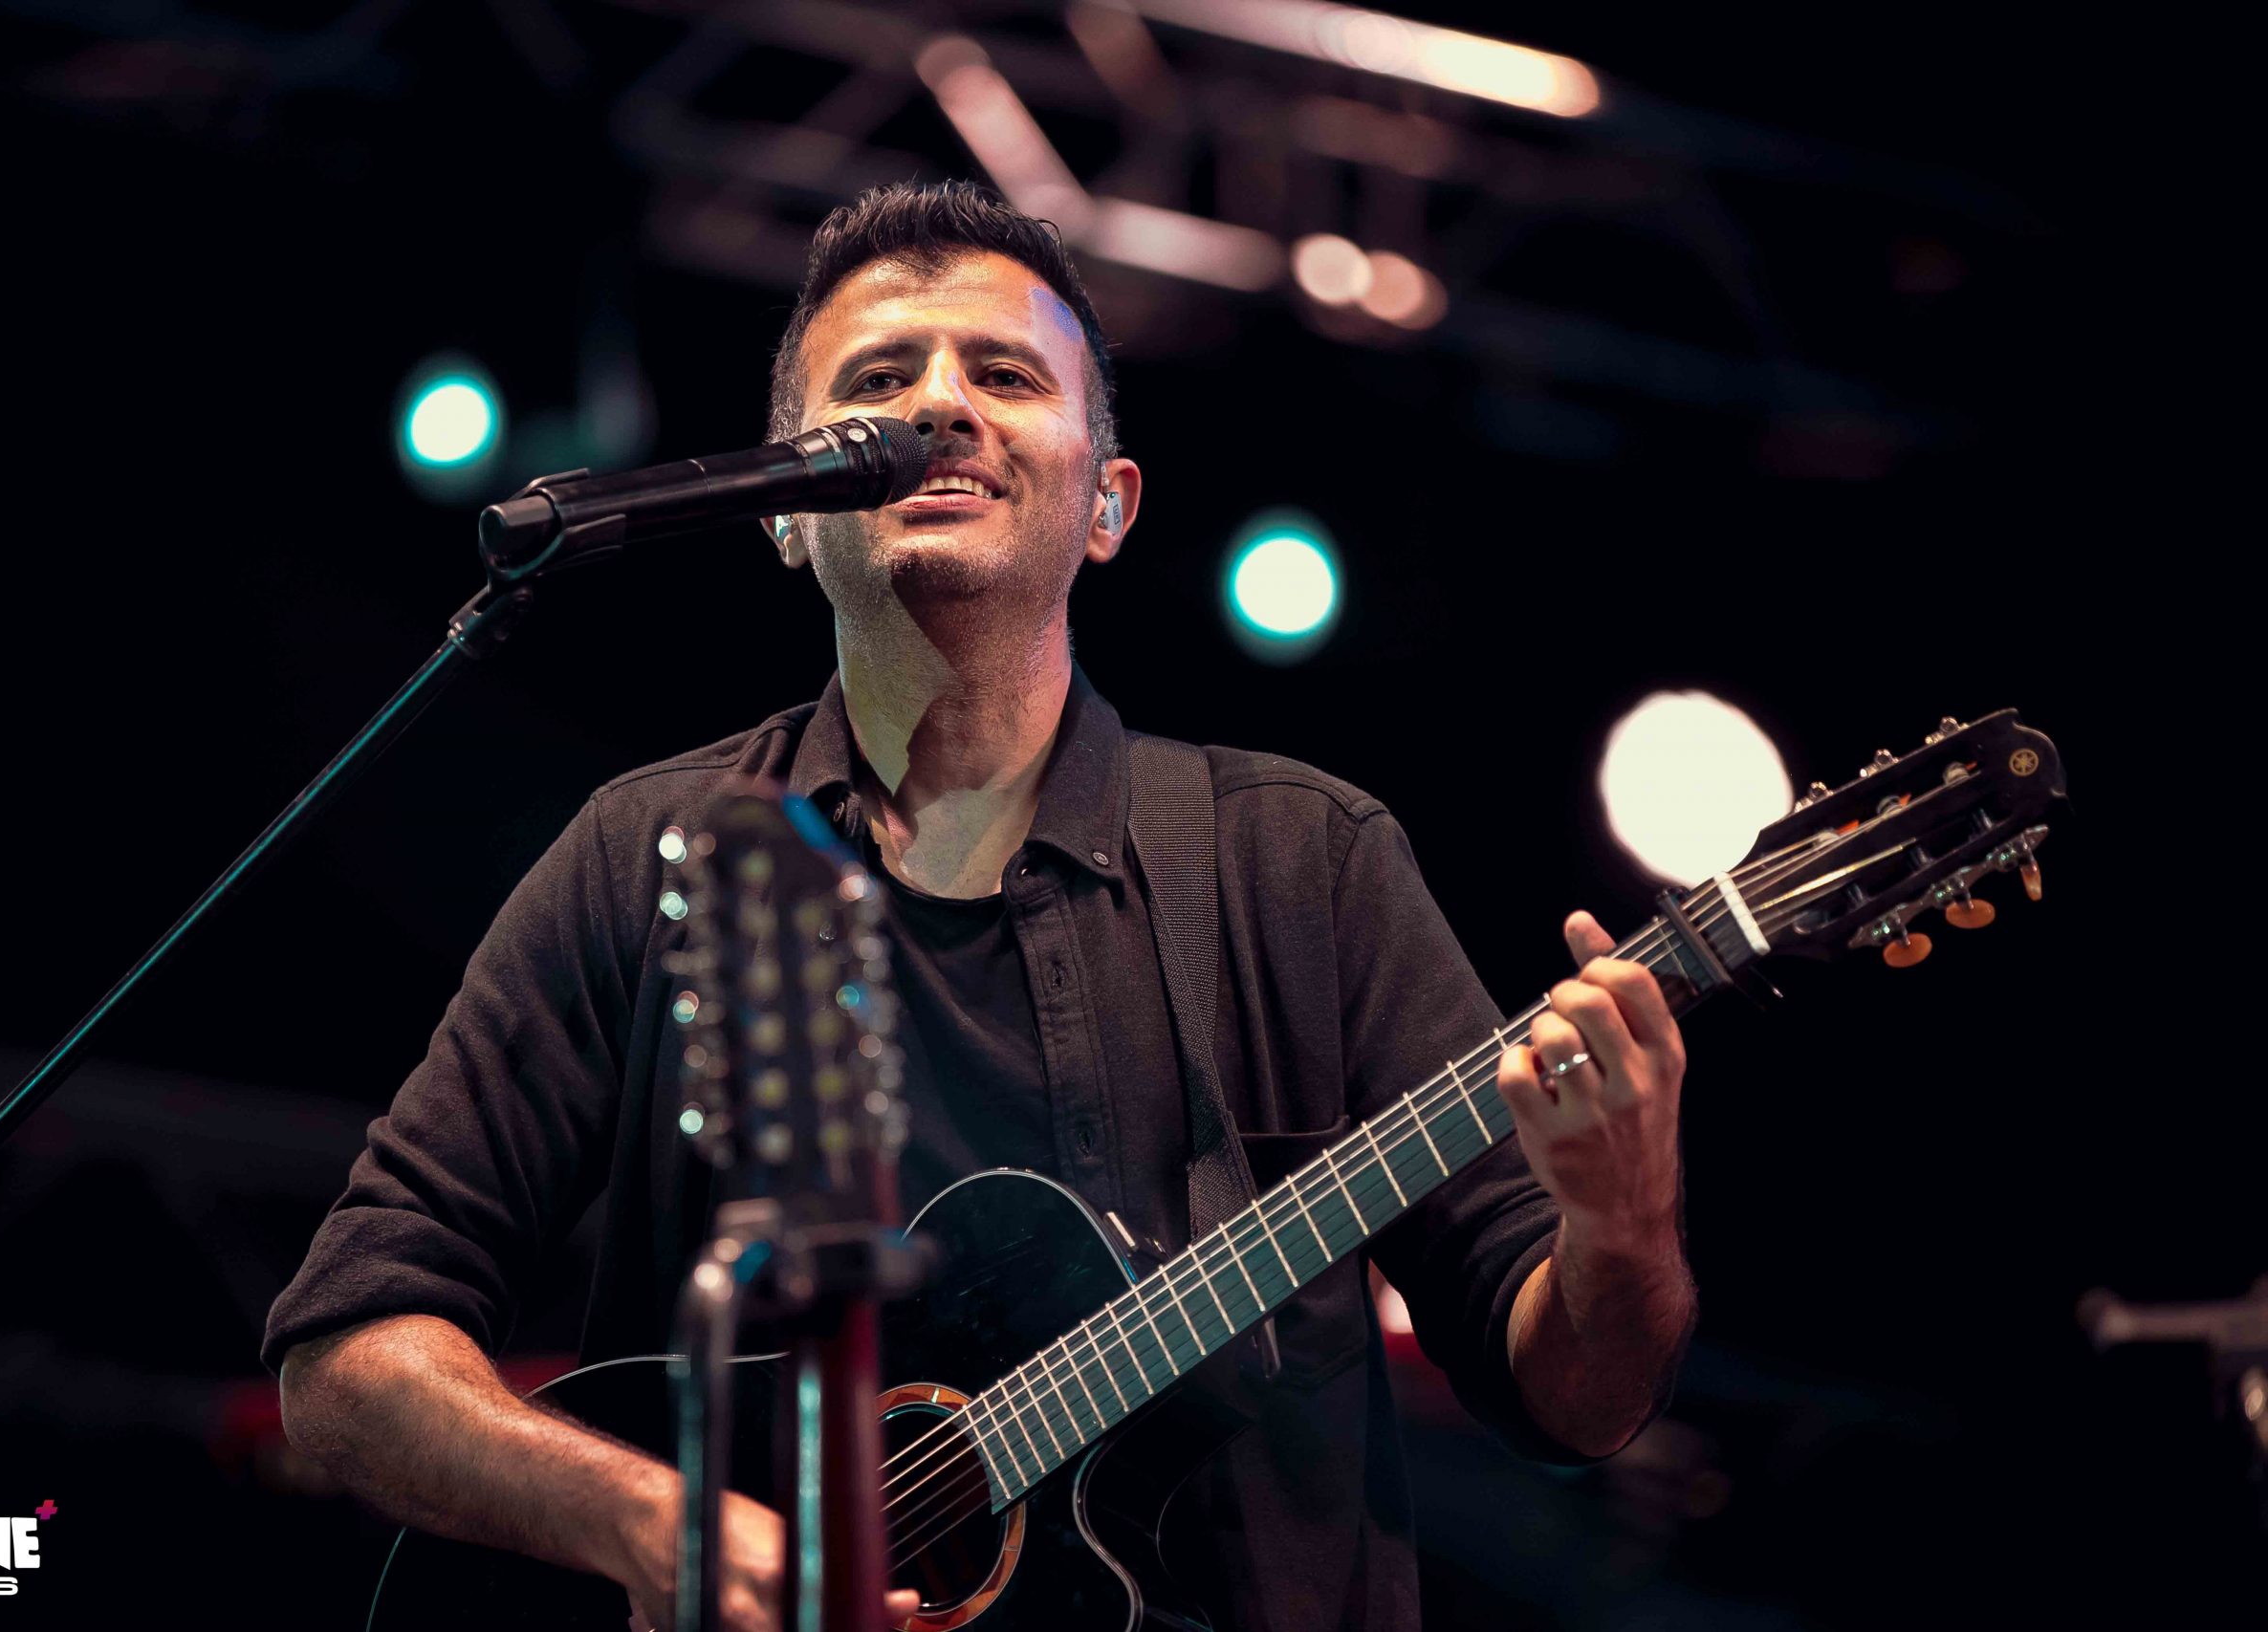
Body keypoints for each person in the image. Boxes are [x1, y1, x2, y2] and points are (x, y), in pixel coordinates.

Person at [265, 181, 1696, 1632]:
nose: (940, 405)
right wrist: (652, 1522)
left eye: (1005, 375)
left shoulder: (1303, 863)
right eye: (879, 382)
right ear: (785, 516)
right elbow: (349, 1348)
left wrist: (1624, 1222)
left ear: (1108, 505)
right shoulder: (648, 859)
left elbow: (1579, 1402)